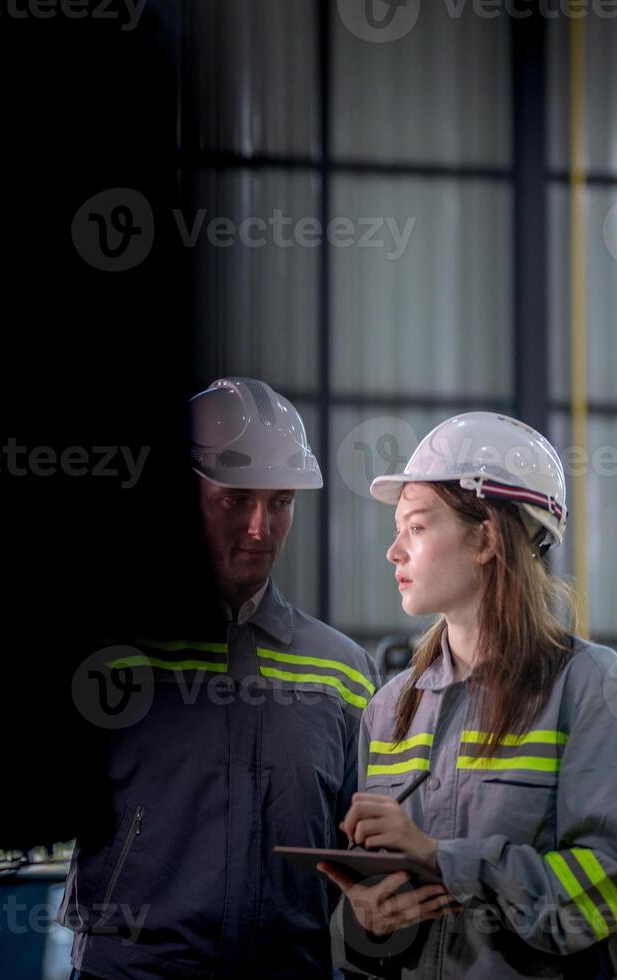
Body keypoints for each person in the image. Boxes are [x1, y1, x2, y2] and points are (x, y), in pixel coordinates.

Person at [321, 411, 617, 979]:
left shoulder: (591, 687)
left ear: (485, 538)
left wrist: (441, 859)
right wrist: (365, 924)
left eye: (418, 526)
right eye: (397, 529)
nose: (395, 552)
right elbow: (373, 934)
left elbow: (605, 889)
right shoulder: (389, 710)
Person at [61, 377, 382, 979]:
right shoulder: (115, 652)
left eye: (280, 502)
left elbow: (363, 843)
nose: (260, 528)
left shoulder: (342, 669)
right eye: (236, 500)